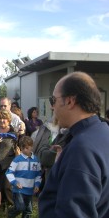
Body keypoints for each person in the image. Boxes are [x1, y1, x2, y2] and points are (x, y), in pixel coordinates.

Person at [39, 71, 109, 218]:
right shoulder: (102, 132)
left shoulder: (82, 148)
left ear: (70, 101)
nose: (52, 107)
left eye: (53, 100)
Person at [6, 136, 41, 218]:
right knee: (20, 207)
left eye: (28, 148)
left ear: (32, 147)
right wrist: (15, 182)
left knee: (28, 210)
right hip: (19, 190)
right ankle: (10, 214)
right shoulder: (17, 159)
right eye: (23, 148)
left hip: (30, 190)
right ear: (20, 148)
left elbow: (38, 174)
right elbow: (9, 172)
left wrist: (37, 185)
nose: (25, 150)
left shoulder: (36, 160)